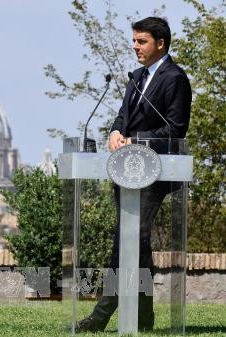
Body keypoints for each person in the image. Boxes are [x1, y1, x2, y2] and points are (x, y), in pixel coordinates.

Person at [76, 17, 191, 332]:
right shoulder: (136, 77)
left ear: (160, 43)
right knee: (135, 246)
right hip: (126, 172)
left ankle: (100, 316)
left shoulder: (175, 78)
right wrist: (115, 132)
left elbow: (175, 128)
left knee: (127, 243)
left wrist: (136, 141)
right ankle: (143, 318)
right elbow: (124, 115)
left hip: (154, 172)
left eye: (141, 41)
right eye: (134, 40)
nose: (135, 46)